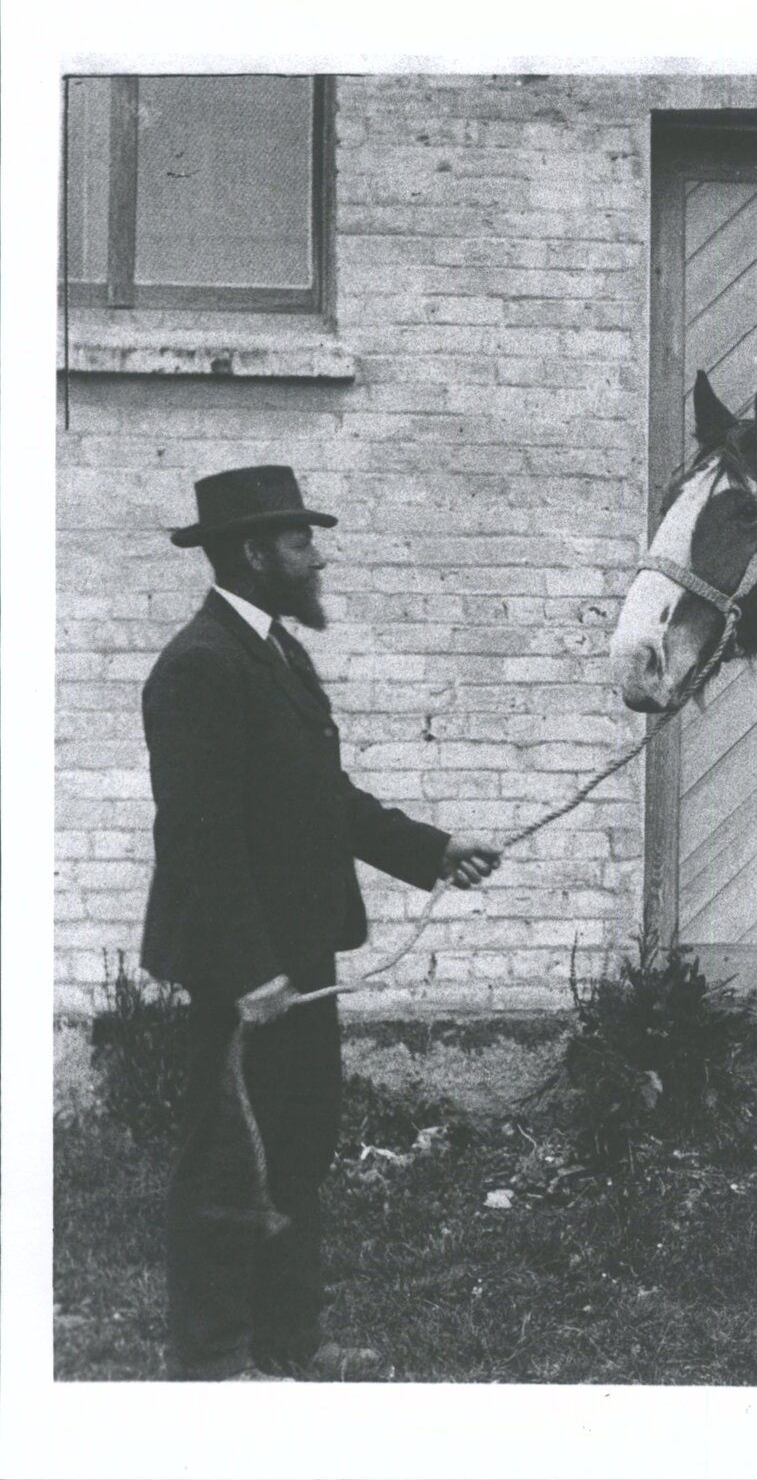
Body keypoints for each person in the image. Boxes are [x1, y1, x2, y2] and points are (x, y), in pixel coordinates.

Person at [140, 464, 502, 1381]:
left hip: (299, 958)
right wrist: (249, 969)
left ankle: (289, 1342)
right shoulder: (199, 667)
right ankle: (213, 1359)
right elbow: (198, 840)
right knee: (230, 1161)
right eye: (301, 542)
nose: (318, 558)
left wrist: (432, 850)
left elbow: (321, 799)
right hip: (250, 972)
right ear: (258, 553)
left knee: (297, 1150)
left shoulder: (275, 653)